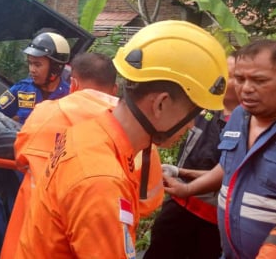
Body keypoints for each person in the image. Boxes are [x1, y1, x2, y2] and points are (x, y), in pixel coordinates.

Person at [14, 20, 228, 258]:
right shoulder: (102, 182)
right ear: (160, 104)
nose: (190, 126)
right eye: (193, 114)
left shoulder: (90, 134)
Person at [164, 39, 276, 259]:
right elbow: (228, 166)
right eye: (240, 79)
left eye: (259, 80)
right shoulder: (238, 117)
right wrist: (187, 188)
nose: (245, 88)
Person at [144, 53, 239, 259]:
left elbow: (228, 171)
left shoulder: (246, 124)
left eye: (231, 76)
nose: (221, 80)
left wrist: (186, 183)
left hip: (211, 217)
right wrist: (177, 172)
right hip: (178, 203)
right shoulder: (205, 109)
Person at [0, 31, 71, 124]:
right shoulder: (21, 89)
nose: (32, 70)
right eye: (30, 63)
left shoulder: (69, 98)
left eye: (37, 65)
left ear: (55, 68)